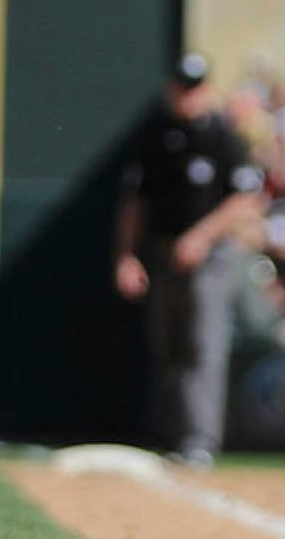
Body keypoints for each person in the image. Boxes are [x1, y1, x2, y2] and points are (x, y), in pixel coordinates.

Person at [112, 52, 263, 467]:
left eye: (194, 87)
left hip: (211, 257)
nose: (187, 96)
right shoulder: (156, 135)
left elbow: (245, 200)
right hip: (163, 254)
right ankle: (170, 436)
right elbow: (134, 201)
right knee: (169, 348)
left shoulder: (224, 135)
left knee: (203, 344)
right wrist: (126, 256)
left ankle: (199, 441)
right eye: (182, 87)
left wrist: (200, 237)